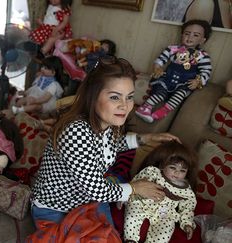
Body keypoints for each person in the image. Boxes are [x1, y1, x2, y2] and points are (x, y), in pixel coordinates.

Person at [31, 56, 179, 226]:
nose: (125, 106)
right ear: (93, 96)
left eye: (129, 97)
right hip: (56, 208)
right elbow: (98, 191)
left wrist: (146, 138)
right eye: (115, 97)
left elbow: (110, 145)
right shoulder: (76, 131)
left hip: (84, 199)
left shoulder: (105, 122)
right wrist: (136, 188)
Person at [135, 19, 212, 123]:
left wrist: (198, 81)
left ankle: (161, 112)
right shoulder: (172, 49)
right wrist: (157, 68)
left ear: (202, 40)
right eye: (187, 33)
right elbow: (160, 59)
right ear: (182, 34)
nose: (189, 37)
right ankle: (144, 108)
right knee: (160, 92)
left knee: (180, 95)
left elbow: (206, 71)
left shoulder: (203, 56)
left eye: (195, 35)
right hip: (167, 78)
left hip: (184, 83)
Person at [124, 141, 197, 242]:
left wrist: (187, 223)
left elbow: (188, 208)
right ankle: (130, 239)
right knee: (132, 216)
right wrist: (127, 195)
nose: (177, 172)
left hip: (165, 214)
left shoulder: (186, 191)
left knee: (166, 230)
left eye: (182, 171)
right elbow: (137, 182)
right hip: (143, 203)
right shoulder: (153, 172)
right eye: (172, 167)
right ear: (163, 165)